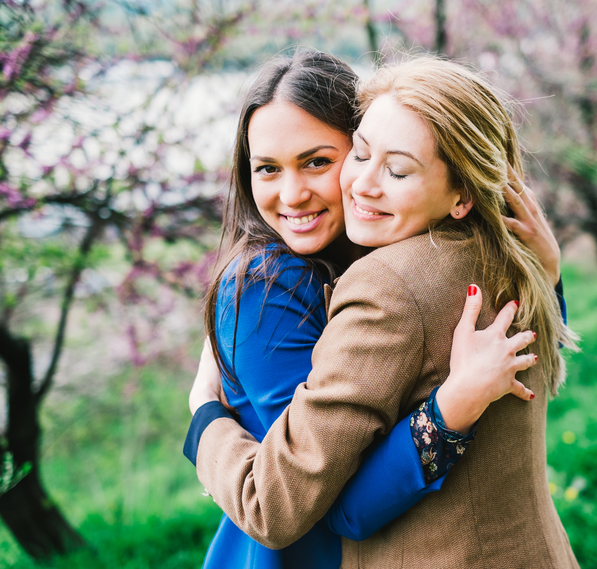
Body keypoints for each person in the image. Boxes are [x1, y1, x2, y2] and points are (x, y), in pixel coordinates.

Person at [186, 52, 576, 568]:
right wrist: (547, 277)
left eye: (319, 161)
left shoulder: (385, 275)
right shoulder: (270, 285)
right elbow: (295, 497)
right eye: (267, 169)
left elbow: (315, 504)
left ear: (460, 193)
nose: (293, 194)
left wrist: (203, 418)